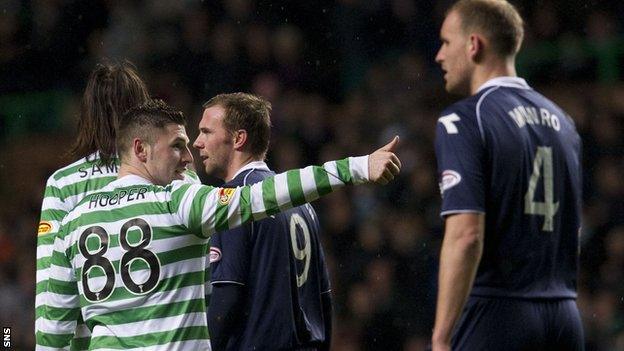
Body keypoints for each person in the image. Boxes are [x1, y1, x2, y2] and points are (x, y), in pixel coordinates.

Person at [36, 99, 401, 350]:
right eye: (177, 146)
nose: (188, 156)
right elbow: (264, 195)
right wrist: (356, 167)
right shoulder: (177, 202)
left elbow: (53, 328)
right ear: (141, 149)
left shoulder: (73, 220)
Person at [431, 1, 583, 350]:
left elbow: (466, 236)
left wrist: (441, 338)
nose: (439, 55)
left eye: (446, 42)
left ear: (473, 45)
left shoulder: (465, 120)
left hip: (498, 314)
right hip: (564, 314)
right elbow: (572, 229)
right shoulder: (564, 123)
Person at [34, 62, 202, 350]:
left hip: (95, 341)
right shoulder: (176, 170)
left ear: (88, 114)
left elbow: (49, 286)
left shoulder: (64, 183)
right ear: (142, 110)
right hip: (169, 336)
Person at [194, 93, 332, 351]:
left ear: (238, 139)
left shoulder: (234, 202)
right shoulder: (302, 204)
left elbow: (227, 294)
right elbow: (323, 295)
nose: (197, 142)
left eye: (206, 132)